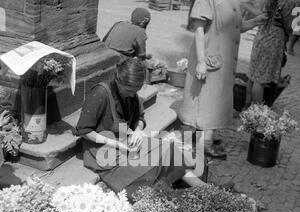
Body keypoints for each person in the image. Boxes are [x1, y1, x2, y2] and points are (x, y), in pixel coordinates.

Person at [75, 58, 205, 200]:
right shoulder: (100, 93)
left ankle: (203, 188)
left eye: (136, 90)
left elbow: (140, 117)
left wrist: (138, 130)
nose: (133, 94)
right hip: (102, 148)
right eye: (129, 90)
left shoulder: (131, 93)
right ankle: (167, 195)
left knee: (169, 149)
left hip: (126, 141)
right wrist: (114, 143)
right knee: (144, 167)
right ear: (118, 81)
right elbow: (83, 130)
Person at [179, 0, 268, 160]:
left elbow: (236, 28)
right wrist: (200, 62)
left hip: (223, 59)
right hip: (209, 57)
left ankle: (207, 136)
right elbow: (199, 30)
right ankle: (205, 143)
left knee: (216, 100)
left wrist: (255, 21)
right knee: (208, 99)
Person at [247, 0, 297, 104]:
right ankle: (257, 113)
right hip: (274, 37)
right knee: (260, 79)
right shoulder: (290, 1)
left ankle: (247, 106)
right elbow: (289, 26)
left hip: (262, 32)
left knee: (253, 75)